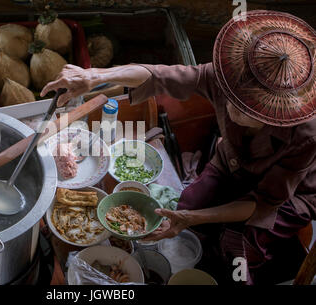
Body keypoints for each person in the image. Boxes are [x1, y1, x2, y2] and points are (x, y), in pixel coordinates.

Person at [41, 10, 316, 284]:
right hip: (231, 163)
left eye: (247, 110)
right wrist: (94, 76)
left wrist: (193, 218)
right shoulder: (230, 77)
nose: (231, 107)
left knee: (240, 246)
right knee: (187, 207)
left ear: (275, 114)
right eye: (231, 97)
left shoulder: (305, 135)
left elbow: (263, 204)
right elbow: (162, 76)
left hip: (284, 199)